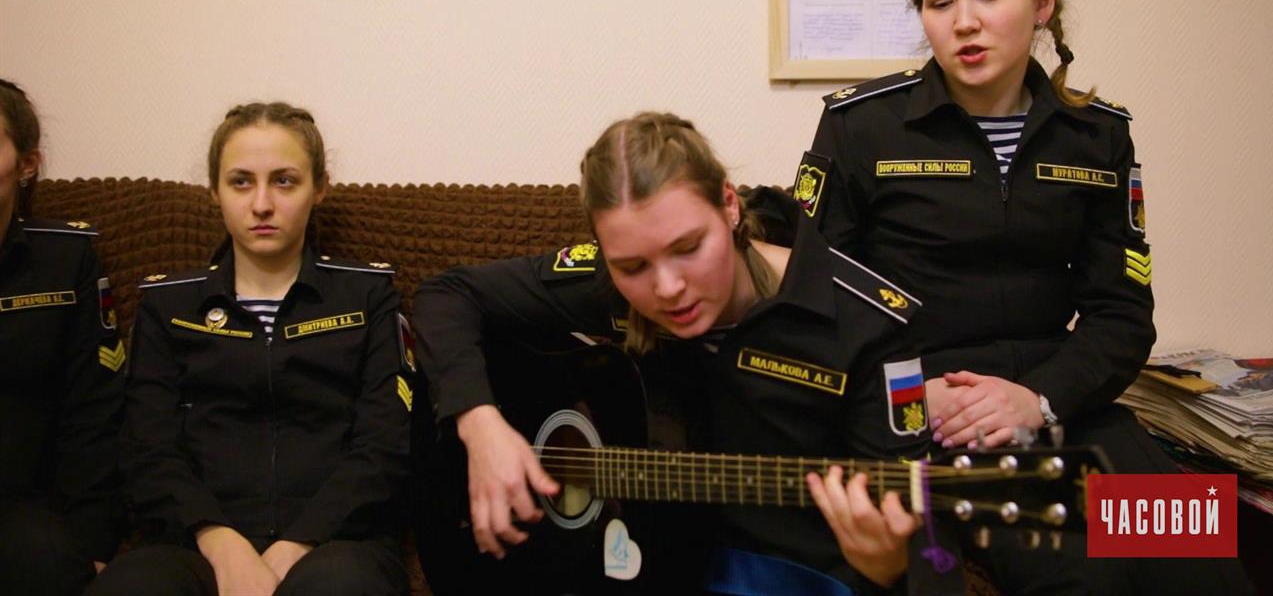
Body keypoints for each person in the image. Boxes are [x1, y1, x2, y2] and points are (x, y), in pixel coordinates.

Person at [795, 0, 1250, 594]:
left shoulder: (1097, 134)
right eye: (940, 2)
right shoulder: (861, 127)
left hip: (1063, 407)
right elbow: (810, 308)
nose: (964, 21)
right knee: (1086, 577)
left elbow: (1122, 315)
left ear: (1042, 0)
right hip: (933, 421)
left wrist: (1038, 400)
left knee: (1206, 565)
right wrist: (910, 398)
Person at [415, 112, 942, 595]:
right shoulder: (607, 283)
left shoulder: (867, 325)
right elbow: (447, 294)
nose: (667, 288)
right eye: (632, 267)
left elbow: (929, 555)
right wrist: (480, 426)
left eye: (688, 249)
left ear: (730, 205)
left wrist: (887, 567)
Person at [89, 102, 411, 596]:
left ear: (320, 188)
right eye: (241, 182)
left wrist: (296, 545)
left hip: (338, 543)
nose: (262, 204)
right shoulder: (167, 304)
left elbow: (384, 444)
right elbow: (147, 446)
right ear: (214, 191)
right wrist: (220, 543)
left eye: (284, 181)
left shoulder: (368, 296)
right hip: (192, 542)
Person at [0, 79, 125, 595]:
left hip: (16, 508)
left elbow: (94, 410)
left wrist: (94, 543)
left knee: (48, 564)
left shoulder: (65, 260)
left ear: (27, 164)